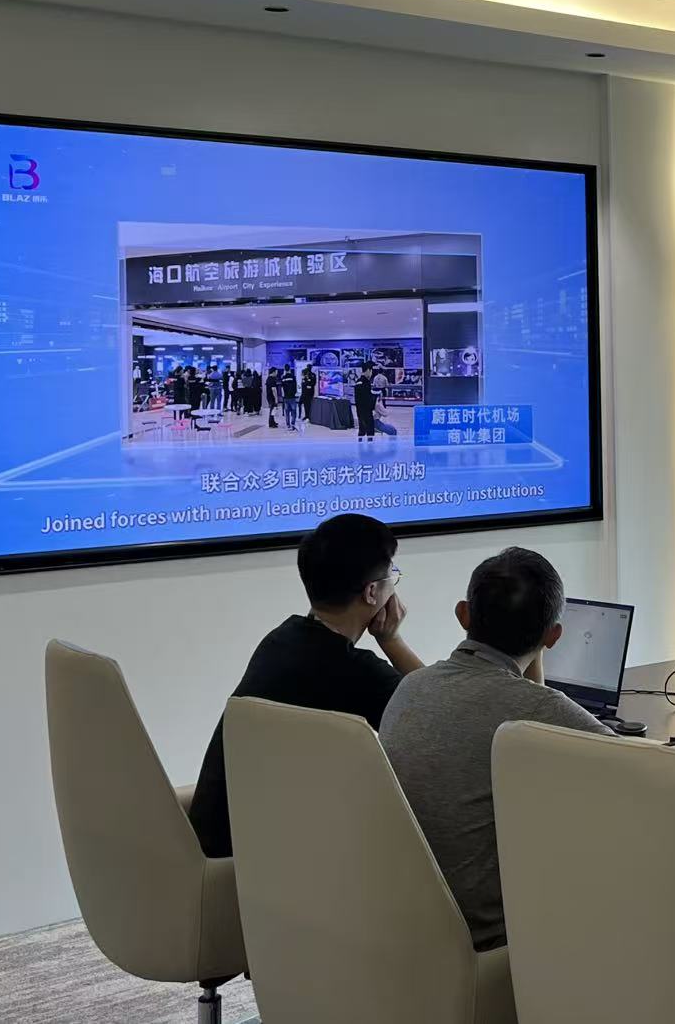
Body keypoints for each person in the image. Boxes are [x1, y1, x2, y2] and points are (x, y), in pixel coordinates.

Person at [381, 547, 610, 951]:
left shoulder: (411, 686)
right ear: (554, 637)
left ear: (463, 614)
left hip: (405, 924)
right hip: (488, 940)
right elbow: (650, 774)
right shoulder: (541, 710)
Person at [187, 513, 422, 858]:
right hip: (261, 857)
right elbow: (439, 711)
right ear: (372, 592)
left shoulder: (282, 639)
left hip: (223, 838)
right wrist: (392, 640)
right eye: (393, 575)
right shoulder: (352, 671)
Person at [354, 367, 377, 442]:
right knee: (369, 428)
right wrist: (374, 399)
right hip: (366, 410)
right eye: (371, 371)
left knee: (362, 428)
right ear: (368, 370)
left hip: (359, 409)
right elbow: (367, 397)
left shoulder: (358, 381)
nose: (371, 373)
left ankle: (360, 443)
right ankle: (370, 445)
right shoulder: (365, 382)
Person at [298, 363, 316, 431]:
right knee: (305, 404)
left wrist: (308, 383)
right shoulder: (305, 374)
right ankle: (306, 415)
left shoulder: (313, 375)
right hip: (304, 392)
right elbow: (304, 383)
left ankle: (309, 416)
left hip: (309, 393)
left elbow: (313, 384)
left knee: (309, 404)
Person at [281, 365, 299, 430]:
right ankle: (293, 424)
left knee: (287, 412)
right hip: (292, 397)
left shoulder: (283, 378)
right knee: (293, 411)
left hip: (286, 397)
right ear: (290, 369)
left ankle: (288, 425)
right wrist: (294, 393)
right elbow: (295, 387)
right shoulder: (293, 377)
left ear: (284, 370)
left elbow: (282, 387)